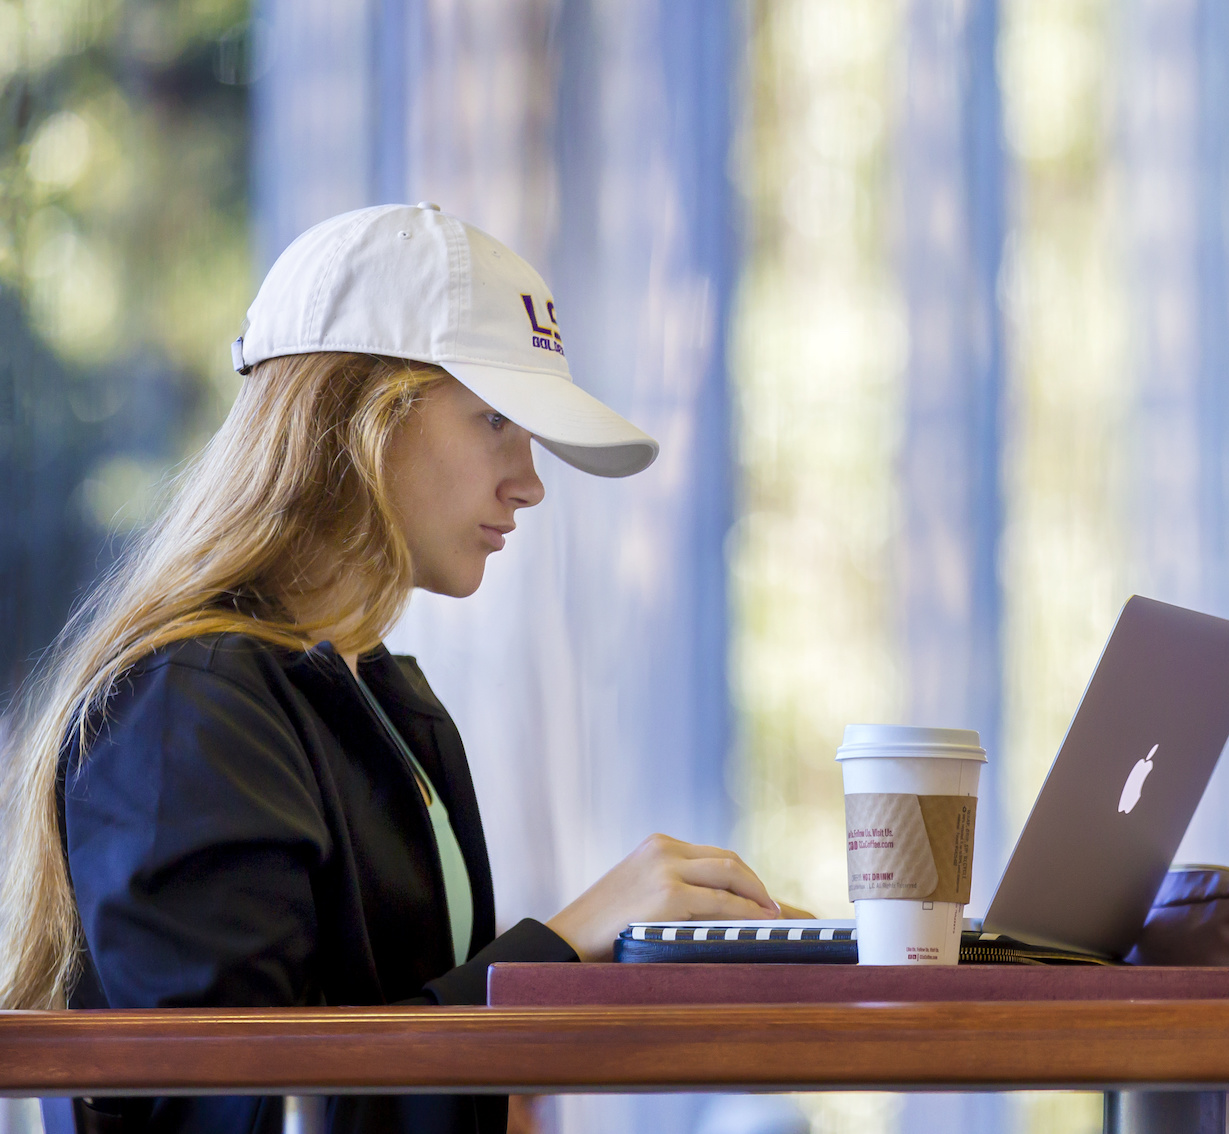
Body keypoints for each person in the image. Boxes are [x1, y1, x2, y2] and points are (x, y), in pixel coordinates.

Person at [0, 204, 792, 1134]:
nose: (530, 481)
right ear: (362, 417)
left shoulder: (374, 700)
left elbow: (383, 1049)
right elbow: (239, 1112)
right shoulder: (194, 708)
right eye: (495, 420)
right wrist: (552, 954)